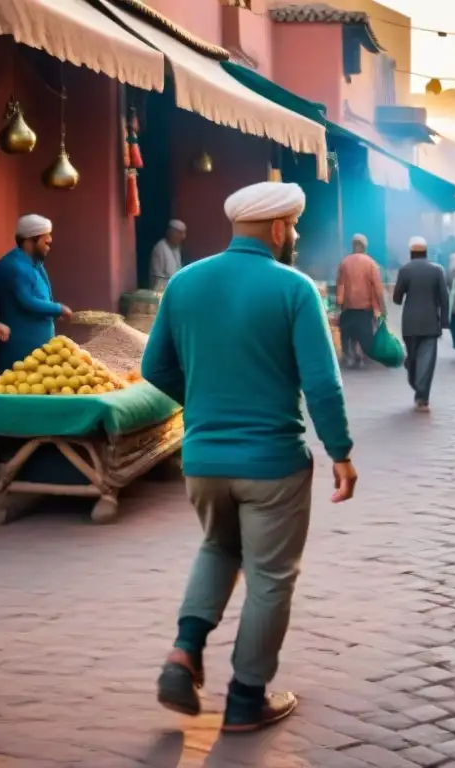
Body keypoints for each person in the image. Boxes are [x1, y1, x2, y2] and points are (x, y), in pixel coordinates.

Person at [145, 181, 357, 732]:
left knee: (219, 546)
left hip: (203, 460)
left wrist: (206, 404)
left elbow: (154, 369)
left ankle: (184, 651)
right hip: (272, 463)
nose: (298, 235)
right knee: (270, 576)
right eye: (295, 226)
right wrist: (340, 452)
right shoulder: (294, 288)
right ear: (279, 229)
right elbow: (323, 385)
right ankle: (244, 699)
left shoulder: (184, 284)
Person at [0, 215, 71, 372]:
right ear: (30, 241)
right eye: (46, 242)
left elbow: (45, 296)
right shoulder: (13, 267)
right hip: (20, 350)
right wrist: (58, 309)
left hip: (41, 348)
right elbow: (27, 300)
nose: (49, 246)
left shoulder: (35, 264)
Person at [393, 236, 449, 412]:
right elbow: (444, 298)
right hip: (431, 322)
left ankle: (418, 388)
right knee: (427, 360)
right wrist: (445, 322)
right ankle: (422, 397)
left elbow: (396, 298)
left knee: (413, 358)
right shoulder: (437, 270)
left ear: (411, 253)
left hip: (409, 323)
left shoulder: (404, 270)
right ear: (426, 252)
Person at [336, 233, 385, 369]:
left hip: (348, 307)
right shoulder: (371, 263)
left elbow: (340, 286)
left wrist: (338, 304)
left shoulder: (344, 262)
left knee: (347, 334)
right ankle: (363, 357)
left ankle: (349, 356)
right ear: (365, 247)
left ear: (353, 246)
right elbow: (378, 288)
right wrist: (382, 308)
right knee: (365, 335)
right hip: (366, 309)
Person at [150, 219, 186, 292]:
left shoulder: (176, 248)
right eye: (178, 233)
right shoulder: (160, 247)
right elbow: (158, 277)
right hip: (162, 291)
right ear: (170, 232)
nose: (181, 237)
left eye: (182, 234)